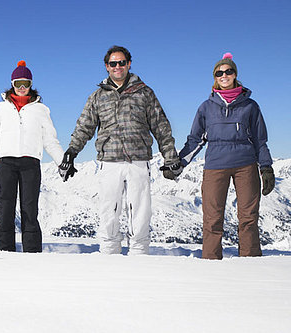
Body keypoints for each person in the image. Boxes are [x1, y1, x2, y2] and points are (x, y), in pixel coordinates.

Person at [59, 45, 181, 255]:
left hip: (138, 160)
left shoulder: (144, 93)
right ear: (107, 67)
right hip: (109, 161)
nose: (117, 67)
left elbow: (160, 126)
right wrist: (71, 153)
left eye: (121, 63)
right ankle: (108, 251)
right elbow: (84, 127)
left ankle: (139, 251)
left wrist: (170, 157)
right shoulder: (98, 96)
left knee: (140, 210)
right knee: (109, 209)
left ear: (129, 64)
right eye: (113, 63)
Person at [178, 53, 275, 259]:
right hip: (215, 166)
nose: (224, 75)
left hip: (246, 165)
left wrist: (265, 167)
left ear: (235, 74)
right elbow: (195, 140)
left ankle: (251, 263)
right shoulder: (206, 107)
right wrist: (178, 164)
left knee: (248, 217)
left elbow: (260, 140)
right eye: (219, 72)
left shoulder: (250, 105)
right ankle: (211, 263)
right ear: (215, 77)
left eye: (228, 71)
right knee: (212, 218)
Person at [0, 61, 64, 252]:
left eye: (26, 83)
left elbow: (50, 140)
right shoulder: (0, 108)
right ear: (12, 84)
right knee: (5, 209)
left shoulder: (41, 110)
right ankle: (4, 251)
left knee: (30, 209)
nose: (22, 88)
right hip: (6, 163)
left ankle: (32, 252)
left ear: (31, 84)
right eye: (18, 83)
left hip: (30, 163)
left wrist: (62, 161)